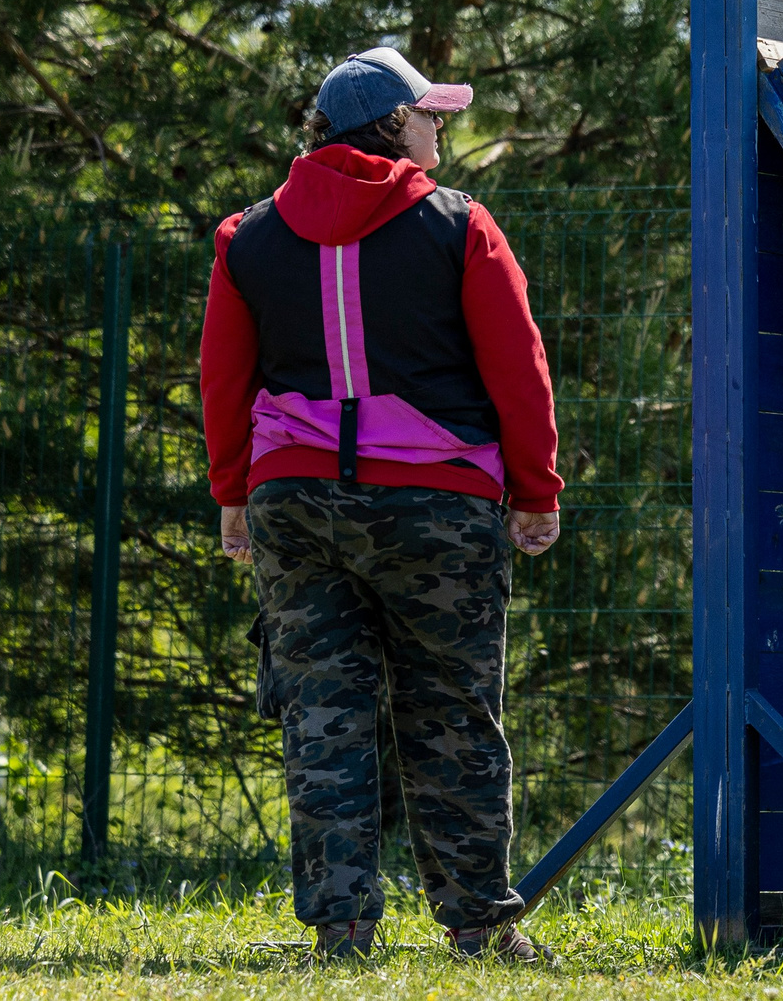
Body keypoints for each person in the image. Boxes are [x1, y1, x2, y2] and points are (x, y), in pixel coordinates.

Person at [202, 47, 563, 961]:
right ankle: (479, 922)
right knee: (451, 708)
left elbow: (223, 380)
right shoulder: (461, 224)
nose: (441, 126)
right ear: (391, 124)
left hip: (296, 500)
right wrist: (535, 489)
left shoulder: (247, 237)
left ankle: (342, 924)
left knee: (321, 711)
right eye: (429, 114)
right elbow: (518, 368)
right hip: (437, 504)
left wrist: (234, 495)